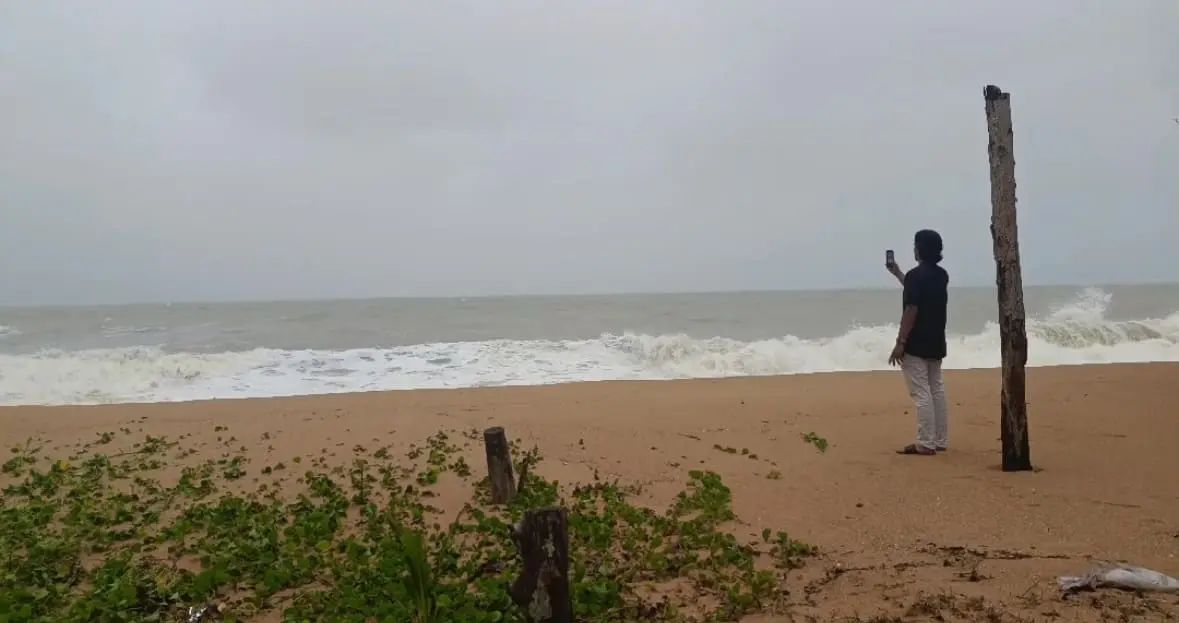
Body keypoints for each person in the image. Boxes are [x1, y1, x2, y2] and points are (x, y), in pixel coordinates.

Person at [885, 229, 949, 456]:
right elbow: (919, 292)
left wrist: (900, 341)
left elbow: (912, 307)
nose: (913, 248)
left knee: (921, 393)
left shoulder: (916, 276)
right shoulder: (941, 275)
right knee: (936, 389)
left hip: (917, 342)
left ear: (920, 248)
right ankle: (939, 439)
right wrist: (899, 274)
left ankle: (926, 442)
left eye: (915, 245)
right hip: (936, 340)